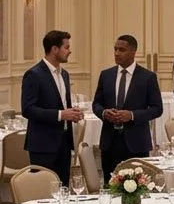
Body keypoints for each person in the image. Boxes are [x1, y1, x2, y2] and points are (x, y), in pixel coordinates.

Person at [92, 34, 163, 185]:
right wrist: (104, 113)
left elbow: (157, 109)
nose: (117, 53)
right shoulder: (106, 75)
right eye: (115, 49)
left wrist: (131, 115)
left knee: (138, 187)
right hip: (110, 142)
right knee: (110, 186)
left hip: (136, 143)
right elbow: (96, 104)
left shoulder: (147, 77)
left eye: (122, 50)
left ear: (133, 52)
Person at [21, 30, 84, 186]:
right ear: (54, 49)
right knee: (43, 191)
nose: (70, 51)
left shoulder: (65, 74)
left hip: (64, 142)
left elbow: (62, 105)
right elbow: (28, 109)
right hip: (43, 144)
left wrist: (73, 114)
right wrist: (61, 115)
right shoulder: (34, 74)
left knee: (63, 189)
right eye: (66, 47)